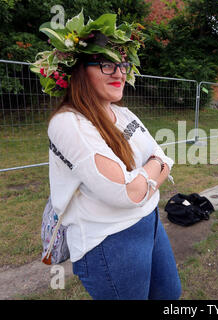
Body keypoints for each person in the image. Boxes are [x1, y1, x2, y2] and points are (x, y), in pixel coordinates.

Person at [31, 12, 181, 300]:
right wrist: (155, 167)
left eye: (123, 64)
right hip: (109, 241)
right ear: (78, 70)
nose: (120, 73)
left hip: (149, 223)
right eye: (107, 64)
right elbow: (127, 193)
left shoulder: (122, 113)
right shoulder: (68, 123)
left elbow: (162, 156)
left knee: (170, 295)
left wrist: (149, 172)